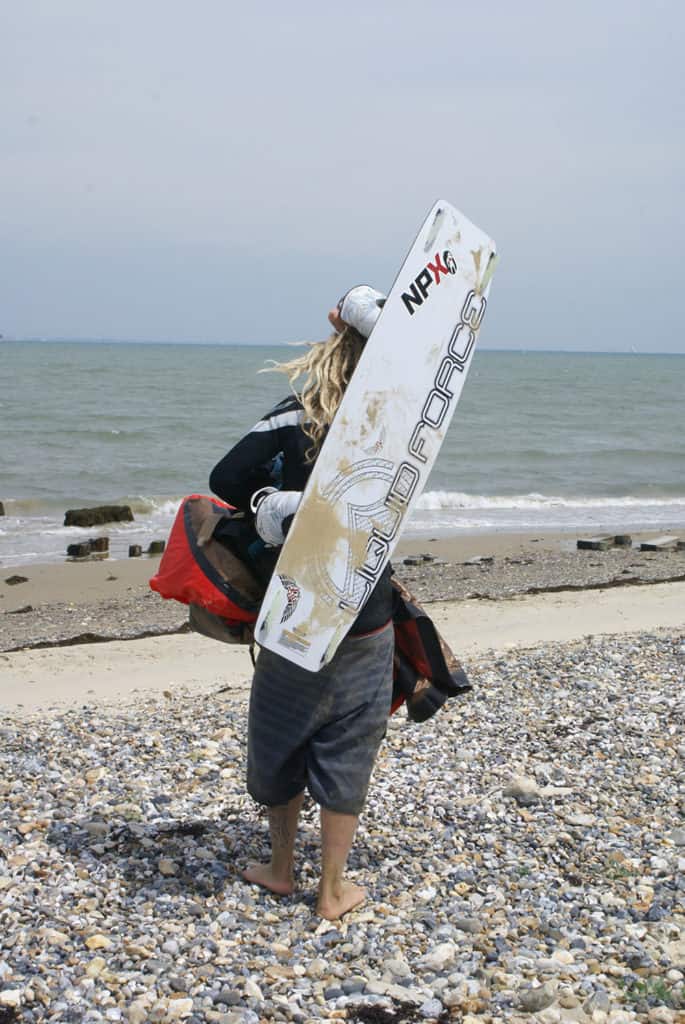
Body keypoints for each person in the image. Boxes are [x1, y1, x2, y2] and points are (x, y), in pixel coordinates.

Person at [209, 285, 393, 920]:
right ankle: (332, 890)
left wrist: (272, 504)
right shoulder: (397, 425)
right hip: (367, 605)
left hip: (296, 602)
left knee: (281, 731)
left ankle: (282, 869)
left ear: (332, 347)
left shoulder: (297, 415)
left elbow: (225, 478)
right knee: (352, 740)